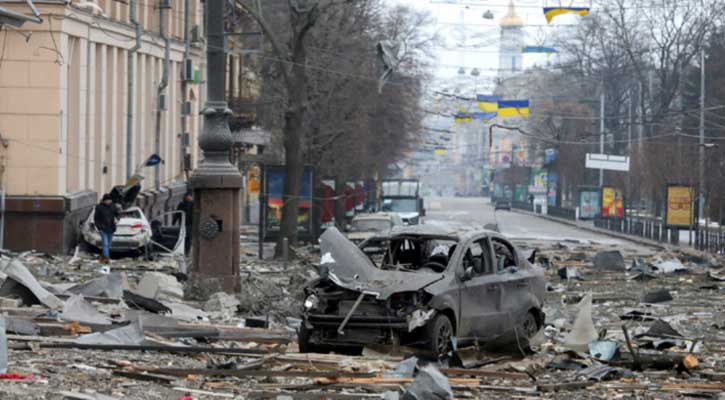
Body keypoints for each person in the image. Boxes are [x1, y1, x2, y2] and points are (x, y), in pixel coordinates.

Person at [94, 193, 119, 264]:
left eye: (110, 200)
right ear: (104, 200)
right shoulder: (99, 207)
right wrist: (99, 227)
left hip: (111, 228)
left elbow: (117, 214)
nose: (109, 201)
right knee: (105, 243)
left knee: (108, 244)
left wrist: (117, 219)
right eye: (107, 200)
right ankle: (107, 258)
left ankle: (102, 257)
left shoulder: (113, 206)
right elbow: (96, 218)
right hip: (103, 228)